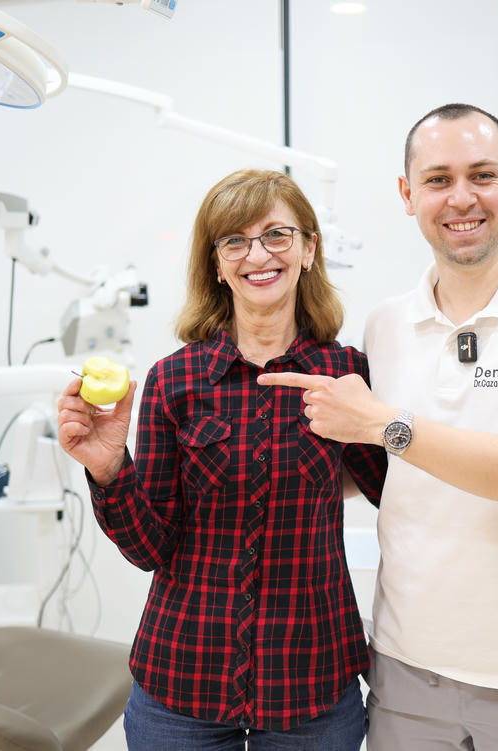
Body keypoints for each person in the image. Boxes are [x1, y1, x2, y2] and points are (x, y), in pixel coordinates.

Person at [258, 103, 498, 750]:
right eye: (437, 179)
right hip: (405, 675)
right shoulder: (385, 325)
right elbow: (384, 469)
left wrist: (386, 424)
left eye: (482, 175)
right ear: (408, 195)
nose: (461, 198)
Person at [57, 168, 387, 751]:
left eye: (277, 235)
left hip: (311, 682)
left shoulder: (345, 375)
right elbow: (151, 548)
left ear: (309, 249)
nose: (257, 255)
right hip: (183, 681)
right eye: (235, 240)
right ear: (215, 263)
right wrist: (108, 468)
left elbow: (403, 498)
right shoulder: (174, 381)